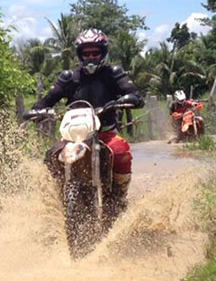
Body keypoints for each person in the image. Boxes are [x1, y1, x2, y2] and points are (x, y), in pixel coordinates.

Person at [24, 28, 144, 210]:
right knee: (51, 156)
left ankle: (119, 196)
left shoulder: (113, 73)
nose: (91, 57)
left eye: (95, 53)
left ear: (102, 53)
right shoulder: (69, 77)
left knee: (120, 152)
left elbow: (134, 94)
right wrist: (37, 111)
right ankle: (55, 199)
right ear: (80, 55)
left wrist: (131, 99)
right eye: (86, 53)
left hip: (105, 132)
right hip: (73, 135)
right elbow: (48, 99)